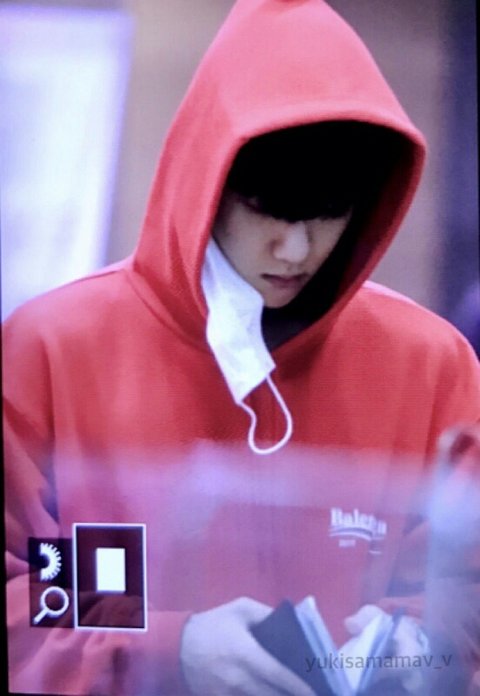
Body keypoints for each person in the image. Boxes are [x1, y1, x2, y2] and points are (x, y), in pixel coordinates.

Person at [4, 0, 480, 694]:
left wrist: (415, 643)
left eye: (329, 215)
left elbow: (464, 592)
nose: (296, 250)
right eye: (266, 210)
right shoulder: (51, 350)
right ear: (206, 179)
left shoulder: (431, 365)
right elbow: (15, 597)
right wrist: (171, 646)